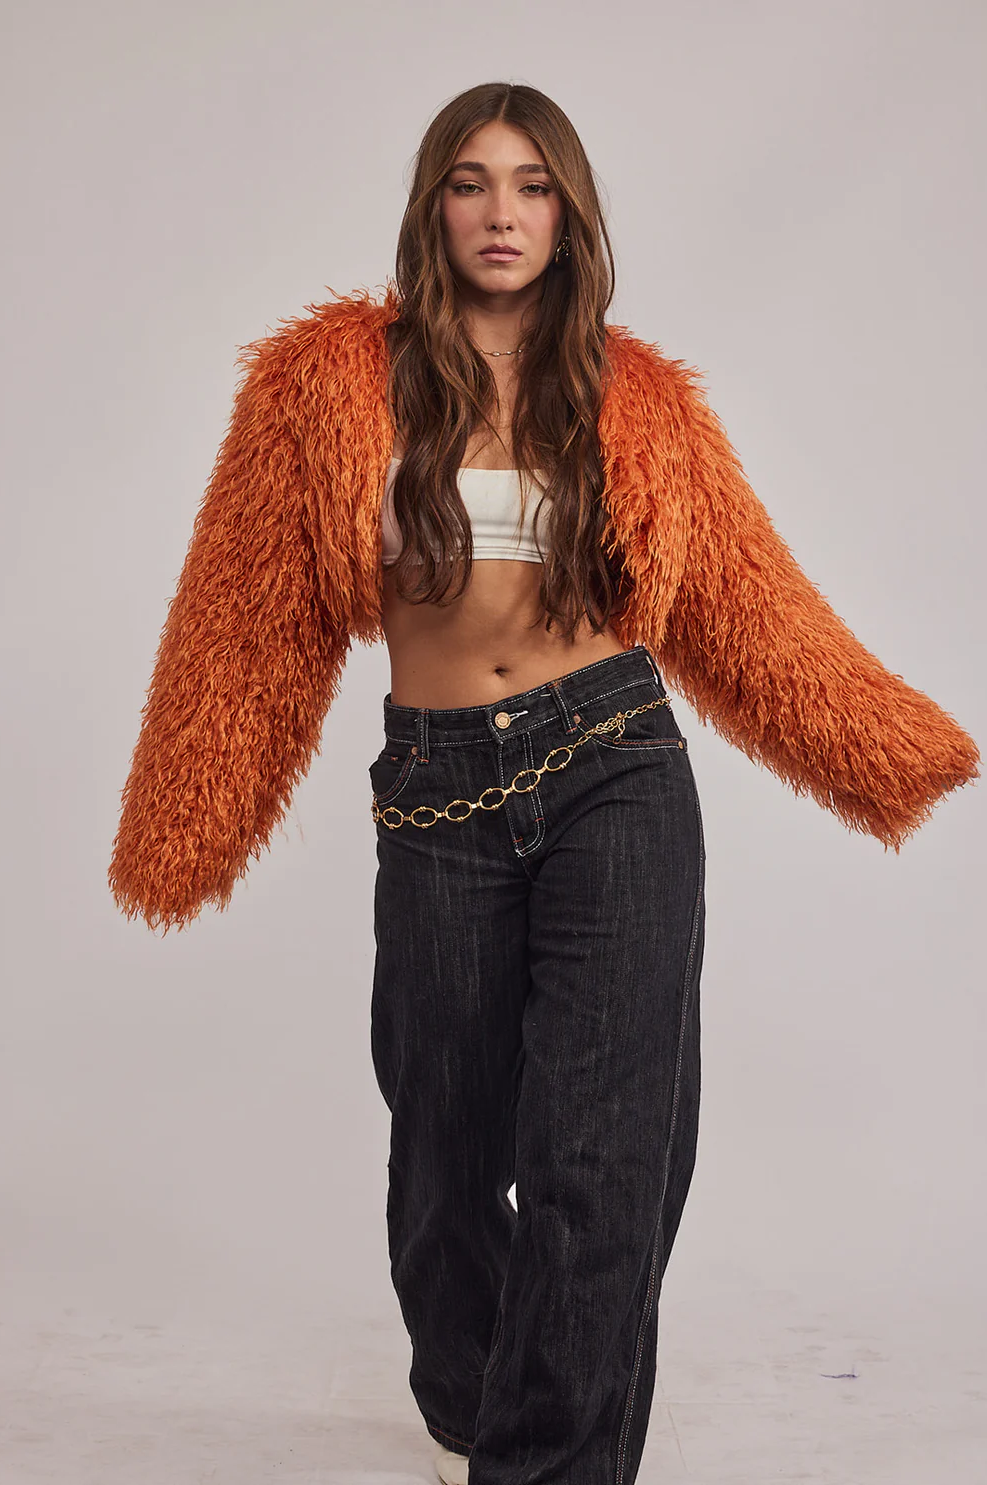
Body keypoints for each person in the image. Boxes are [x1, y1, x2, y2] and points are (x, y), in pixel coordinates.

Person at [108, 83, 980, 1485]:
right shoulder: (324, 383)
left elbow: (748, 605)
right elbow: (241, 607)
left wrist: (895, 745)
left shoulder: (637, 398)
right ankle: (481, 1397)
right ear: (432, 205)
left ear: (569, 216)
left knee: (600, 1156)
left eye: (532, 186)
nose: (501, 213)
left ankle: (546, 1463)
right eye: (471, 182)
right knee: (442, 1165)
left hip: (614, 766)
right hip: (436, 787)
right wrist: (181, 814)